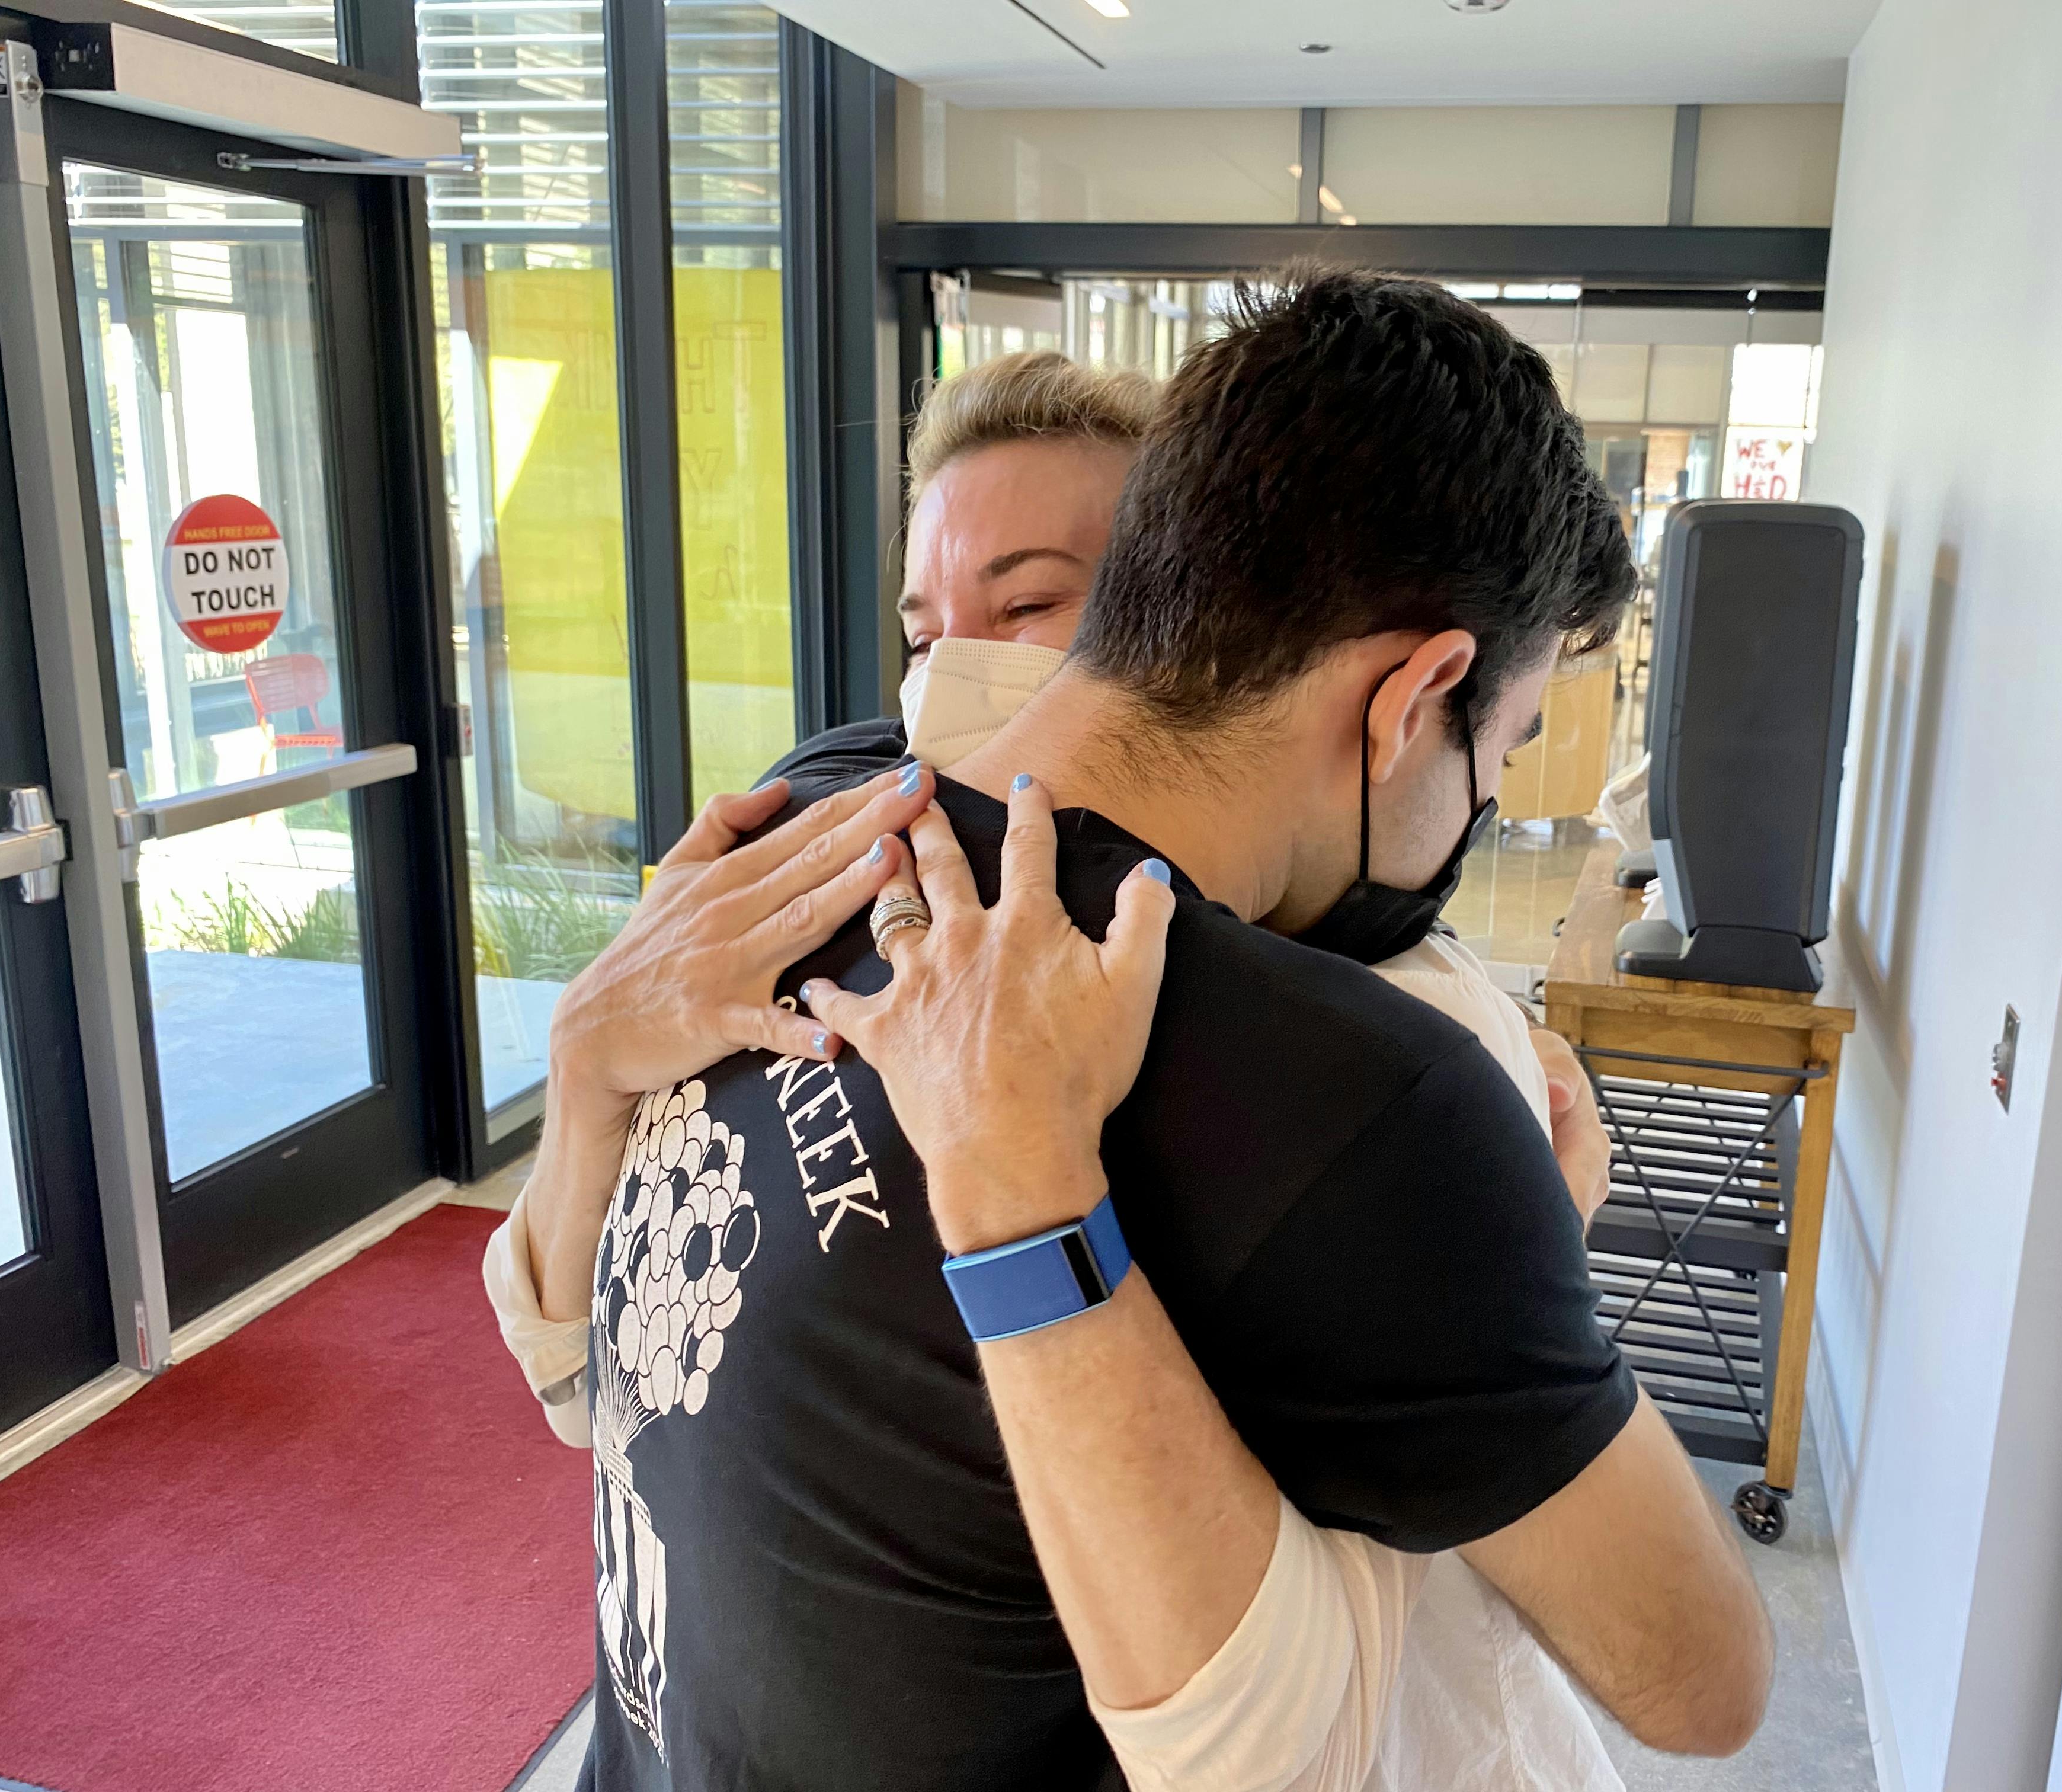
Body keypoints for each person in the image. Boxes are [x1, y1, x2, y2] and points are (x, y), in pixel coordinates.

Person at [500, 275, 1770, 1790]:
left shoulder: (810, 811)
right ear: (1416, 691)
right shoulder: (1367, 1098)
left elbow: (588, 1376)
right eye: (1498, 741)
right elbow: (1707, 1683)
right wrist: (1519, 1254)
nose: (1476, 801)